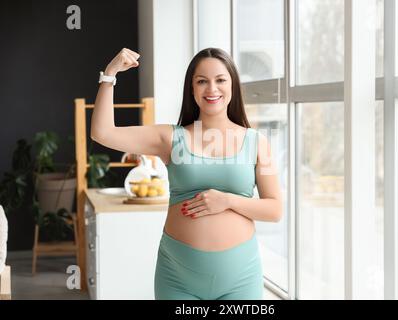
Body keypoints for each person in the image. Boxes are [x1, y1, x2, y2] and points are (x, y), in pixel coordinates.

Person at [91, 47, 282, 300]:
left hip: (240, 278)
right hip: (178, 278)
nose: (211, 89)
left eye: (220, 80)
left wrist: (227, 201)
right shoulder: (170, 138)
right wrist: (110, 75)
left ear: (233, 86)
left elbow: (275, 210)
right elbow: (103, 133)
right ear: (191, 89)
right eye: (202, 81)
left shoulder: (258, 143)